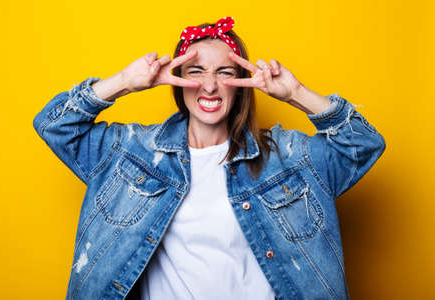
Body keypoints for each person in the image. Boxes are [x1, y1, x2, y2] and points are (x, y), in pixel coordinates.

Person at [33, 16, 385, 300]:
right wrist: (125, 82)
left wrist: (296, 94)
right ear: (177, 81)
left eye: (225, 72)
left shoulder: (288, 158)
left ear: (241, 83)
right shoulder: (130, 152)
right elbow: (54, 124)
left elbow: (364, 145)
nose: (210, 86)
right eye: (196, 72)